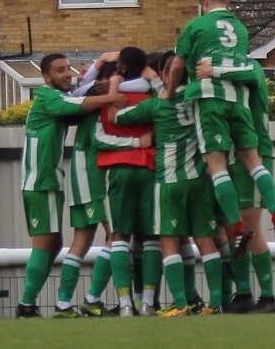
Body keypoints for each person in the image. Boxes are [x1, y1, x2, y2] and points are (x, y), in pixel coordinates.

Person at [161, 0, 275, 258]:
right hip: (239, 101)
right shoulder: (240, 29)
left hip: (210, 100)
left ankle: (238, 224)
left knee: (216, 166)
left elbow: (179, 62)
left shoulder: (196, 26)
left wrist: (169, 92)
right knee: (253, 162)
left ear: (204, 2)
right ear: (227, 2)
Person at [15, 53, 126, 318]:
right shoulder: (48, 97)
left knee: (54, 244)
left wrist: (98, 68)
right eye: (60, 70)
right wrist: (111, 96)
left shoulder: (56, 98)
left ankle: (35, 305)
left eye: (68, 68)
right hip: (41, 182)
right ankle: (27, 306)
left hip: (45, 181)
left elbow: (78, 102)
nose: (67, 74)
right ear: (45, 77)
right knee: (45, 245)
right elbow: (78, 105)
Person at [113, 54, 224, 316]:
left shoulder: (156, 105)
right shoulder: (198, 98)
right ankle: (216, 303)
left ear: (166, 75)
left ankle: (181, 303)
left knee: (169, 242)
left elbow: (118, 117)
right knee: (206, 241)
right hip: (198, 180)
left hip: (169, 181)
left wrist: (114, 88)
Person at [53, 59, 152, 318]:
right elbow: (99, 138)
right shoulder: (101, 102)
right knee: (116, 236)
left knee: (86, 239)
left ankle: (67, 304)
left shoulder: (94, 97)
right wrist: (136, 143)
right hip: (94, 175)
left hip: (85, 173)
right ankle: (95, 299)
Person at [196, 58, 275, 313]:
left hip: (255, 149)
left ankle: (268, 297)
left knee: (250, 224)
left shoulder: (247, 67)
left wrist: (214, 71)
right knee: (234, 228)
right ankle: (243, 293)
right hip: (231, 152)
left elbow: (253, 76)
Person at [97, 46, 161, 317]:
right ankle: (147, 302)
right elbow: (165, 98)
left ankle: (125, 305)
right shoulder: (152, 95)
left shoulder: (111, 98)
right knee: (151, 237)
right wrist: (154, 78)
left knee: (119, 236)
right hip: (150, 167)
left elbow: (100, 136)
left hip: (118, 168)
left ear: (121, 67)